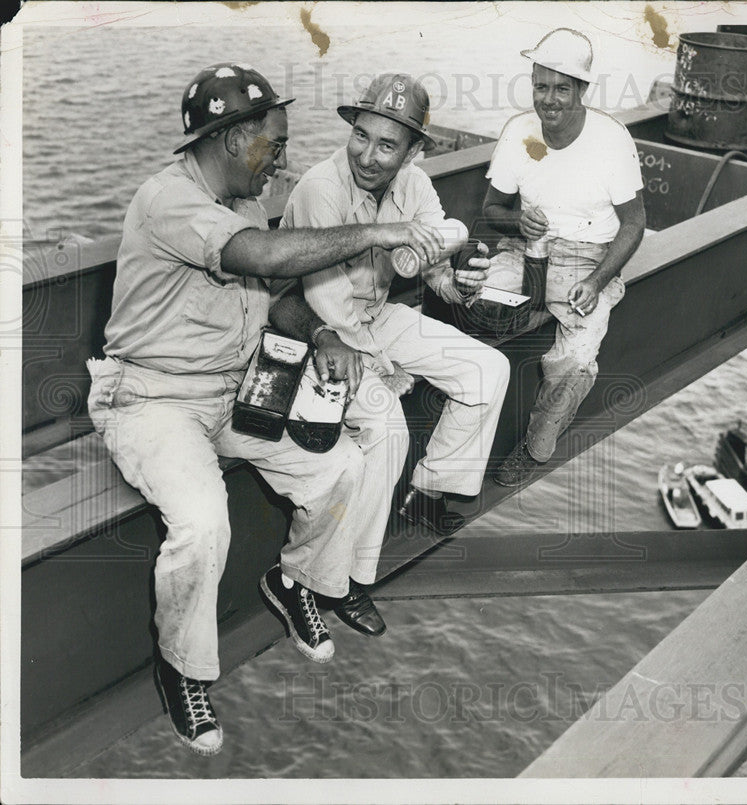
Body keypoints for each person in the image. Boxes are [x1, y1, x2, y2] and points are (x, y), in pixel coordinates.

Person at [87, 63, 445, 756]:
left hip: (233, 385)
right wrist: (379, 233)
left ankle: (294, 580)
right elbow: (260, 253)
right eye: (272, 145)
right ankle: (183, 669)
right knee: (201, 523)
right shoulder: (169, 200)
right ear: (230, 140)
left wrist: (319, 334)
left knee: (341, 466)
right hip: (153, 399)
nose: (280, 160)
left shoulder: (245, 196)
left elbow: (268, 292)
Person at [280, 73, 510, 537]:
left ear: (411, 153)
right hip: (312, 332)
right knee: (385, 417)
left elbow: (433, 271)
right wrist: (382, 365)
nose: (366, 155)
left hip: (372, 318)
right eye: (360, 135)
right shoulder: (321, 188)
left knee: (489, 370)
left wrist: (458, 285)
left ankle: (424, 492)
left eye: (387, 145)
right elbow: (328, 308)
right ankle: (348, 554)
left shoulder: (415, 185)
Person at [482, 29, 646, 486]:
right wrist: (517, 224)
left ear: (581, 91)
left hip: (588, 259)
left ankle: (535, 446)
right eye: (540, 86)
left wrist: (597, 282)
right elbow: (491, 209)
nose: (548, 100)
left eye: (561, 88)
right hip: (527, 249)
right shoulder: (518, 132)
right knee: (479, 302)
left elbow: (634, 224)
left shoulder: (611, 141)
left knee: (574, 361)